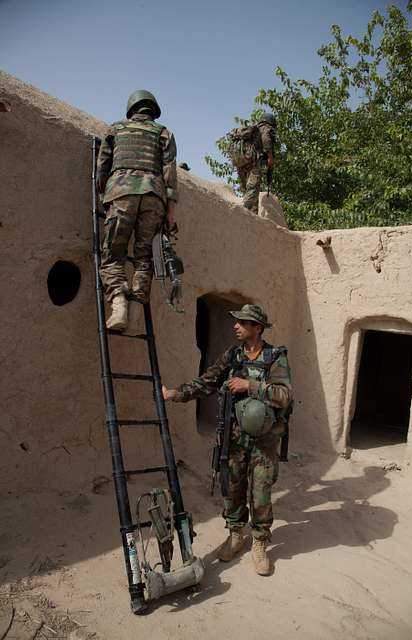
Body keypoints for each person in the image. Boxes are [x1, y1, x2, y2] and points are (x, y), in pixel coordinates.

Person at [162, 304, 293, 575]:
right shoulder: (233, 355)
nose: (236, 326)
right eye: (236, 322)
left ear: (257, 328)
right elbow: (207, 382)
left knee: (260, 493)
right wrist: (176, 394)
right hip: (234, 438)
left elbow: (285, 395)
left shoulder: (274, 357)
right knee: (232, 489)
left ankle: (259, 542)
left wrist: (251, 386)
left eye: (242, 322)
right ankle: (235, 535)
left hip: (264, 442)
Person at [96, 90, 178, 330]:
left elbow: (102, 168)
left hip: (121, 194)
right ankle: (135, 311)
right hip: (154, 198)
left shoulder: (115, 129)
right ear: (153, 111)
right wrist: (170, 212)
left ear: (132, 109)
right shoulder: (164, 132)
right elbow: (170, 175)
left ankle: (119, 303)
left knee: (113, 253)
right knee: (144, 258)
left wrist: (105, 196)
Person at [228, 113, 276, 214]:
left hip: (242, 162)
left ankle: (252, 214)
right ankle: (244, 212)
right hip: (254, 161)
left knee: (246, 189)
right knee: (253, 188)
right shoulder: (265, 128)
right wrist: (270, 157)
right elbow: (266, 139)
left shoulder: (251, 132)